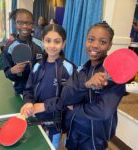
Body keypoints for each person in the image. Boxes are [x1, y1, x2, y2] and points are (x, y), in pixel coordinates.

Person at [28, 22, 126, 150]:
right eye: (91, 39)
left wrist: (74, 108)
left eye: (102, 42)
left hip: (93, 136)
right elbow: (66, 97)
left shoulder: (113, 72)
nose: (95, 45)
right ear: (86, 41)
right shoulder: (81, 70)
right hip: (73, 129)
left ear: (109, 46)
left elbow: (103, 112)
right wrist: (86, 84)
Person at [20, 24, 76, 149]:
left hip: (54, 123)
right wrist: (28, 102)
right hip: (34, 119)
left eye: (57, 41)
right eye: (48, 41)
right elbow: (28, 89)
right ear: (42, 41)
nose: (52, 45)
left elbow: (69, 99)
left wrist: (44, 106)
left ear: (63, 43)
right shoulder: (37, 66)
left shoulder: (69, 68)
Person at [3, 8, 43, 95]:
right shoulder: (9, 48)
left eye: (28, 23)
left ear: (32, 24)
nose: (24, 26)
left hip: (39, 90)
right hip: (21, 91)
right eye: (20, 22)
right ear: (15, 23)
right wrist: (12, 71)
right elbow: (6, 72)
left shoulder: (41, 45)